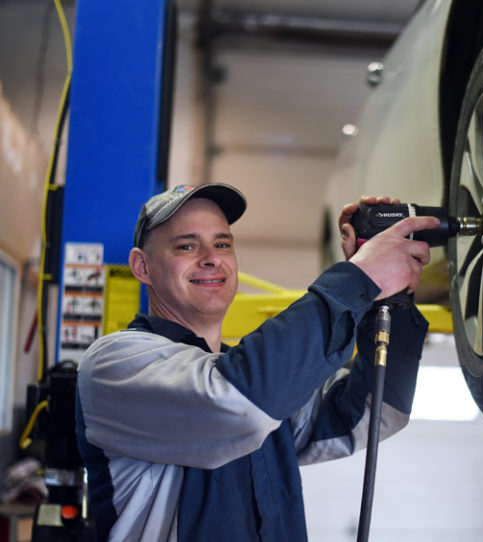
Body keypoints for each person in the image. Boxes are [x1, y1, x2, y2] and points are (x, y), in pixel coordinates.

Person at [74, 183, 439, 541]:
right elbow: (234, 401)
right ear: (142, 267)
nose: (211, 258)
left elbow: (372, 416)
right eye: (186, 245)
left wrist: (388, 296)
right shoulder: (116, 365)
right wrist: (358, 278)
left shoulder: (264, 385)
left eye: (222, 244)